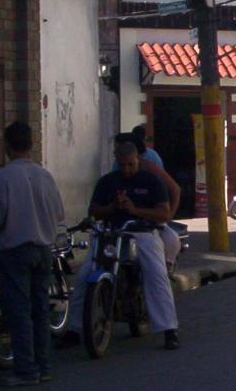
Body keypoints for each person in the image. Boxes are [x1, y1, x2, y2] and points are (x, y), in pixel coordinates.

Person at [59, 142, 179, 351]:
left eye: (130, 165)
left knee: (156, 276)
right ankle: (75, 329)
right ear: (116, 161)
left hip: (142, 234)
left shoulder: (151, 181)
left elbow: (164, 214)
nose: (126, 169)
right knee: (84, 276)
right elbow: (94, 210)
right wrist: (112, 207)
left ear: (137, 161)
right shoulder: (107, 182)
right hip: (110, 235)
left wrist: (135, 210)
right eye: (122, 165)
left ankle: (169, 329)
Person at [0, 122, 65, 386]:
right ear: (31, 144)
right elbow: (58, 212)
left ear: (7, 145)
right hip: (44, 250)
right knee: (40, 309)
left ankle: (26, 369)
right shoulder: (44, 176)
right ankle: (44, 366)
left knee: (19, 312)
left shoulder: (4, 177)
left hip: (16, 250)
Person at [115, 133, 182, 271]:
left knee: (156, 270)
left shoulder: (149, 170)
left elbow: (175, 189)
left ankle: (167, 268)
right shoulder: (114, 170)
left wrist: (166, 218)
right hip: (122, 224)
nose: (126, 168)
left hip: (148, 223)